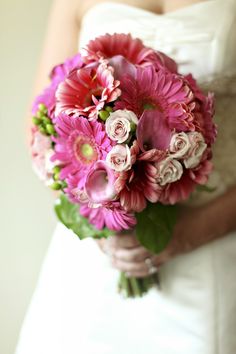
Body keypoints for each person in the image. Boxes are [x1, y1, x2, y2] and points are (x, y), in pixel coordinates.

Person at [16, 0, 236, 353]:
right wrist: (105, 225)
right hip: (94, 260)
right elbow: (40, 128)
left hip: (209, 251)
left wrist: (184, 236)